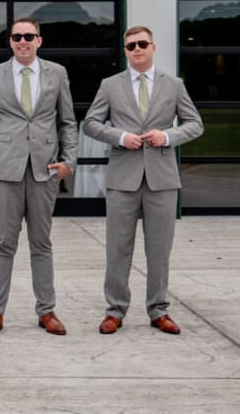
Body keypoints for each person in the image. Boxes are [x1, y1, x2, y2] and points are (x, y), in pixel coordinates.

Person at [83, 26, 202, 336]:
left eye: (142, 44)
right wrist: (120, 136)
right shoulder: (110, 85)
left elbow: (195, 124)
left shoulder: (173, 85)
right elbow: (92, 124)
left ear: (153, 47)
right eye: (131, 45)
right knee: (118, 248)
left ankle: (158, 310)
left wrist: (168, 136)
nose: (137, 49)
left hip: (162, 178)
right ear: (125, 50)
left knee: (159, 249)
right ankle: (115, 310)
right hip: (123, 178)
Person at [0, 18, 77, 338]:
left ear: (39, 41)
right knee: (4, 242)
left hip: (44, 170)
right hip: (5, 171)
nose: (23, 41)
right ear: (10, 41)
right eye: (17, 36)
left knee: (41, 242)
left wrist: (69, 162)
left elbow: (67, 121)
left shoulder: (57, 73)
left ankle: (46, 310)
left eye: (28, 36)